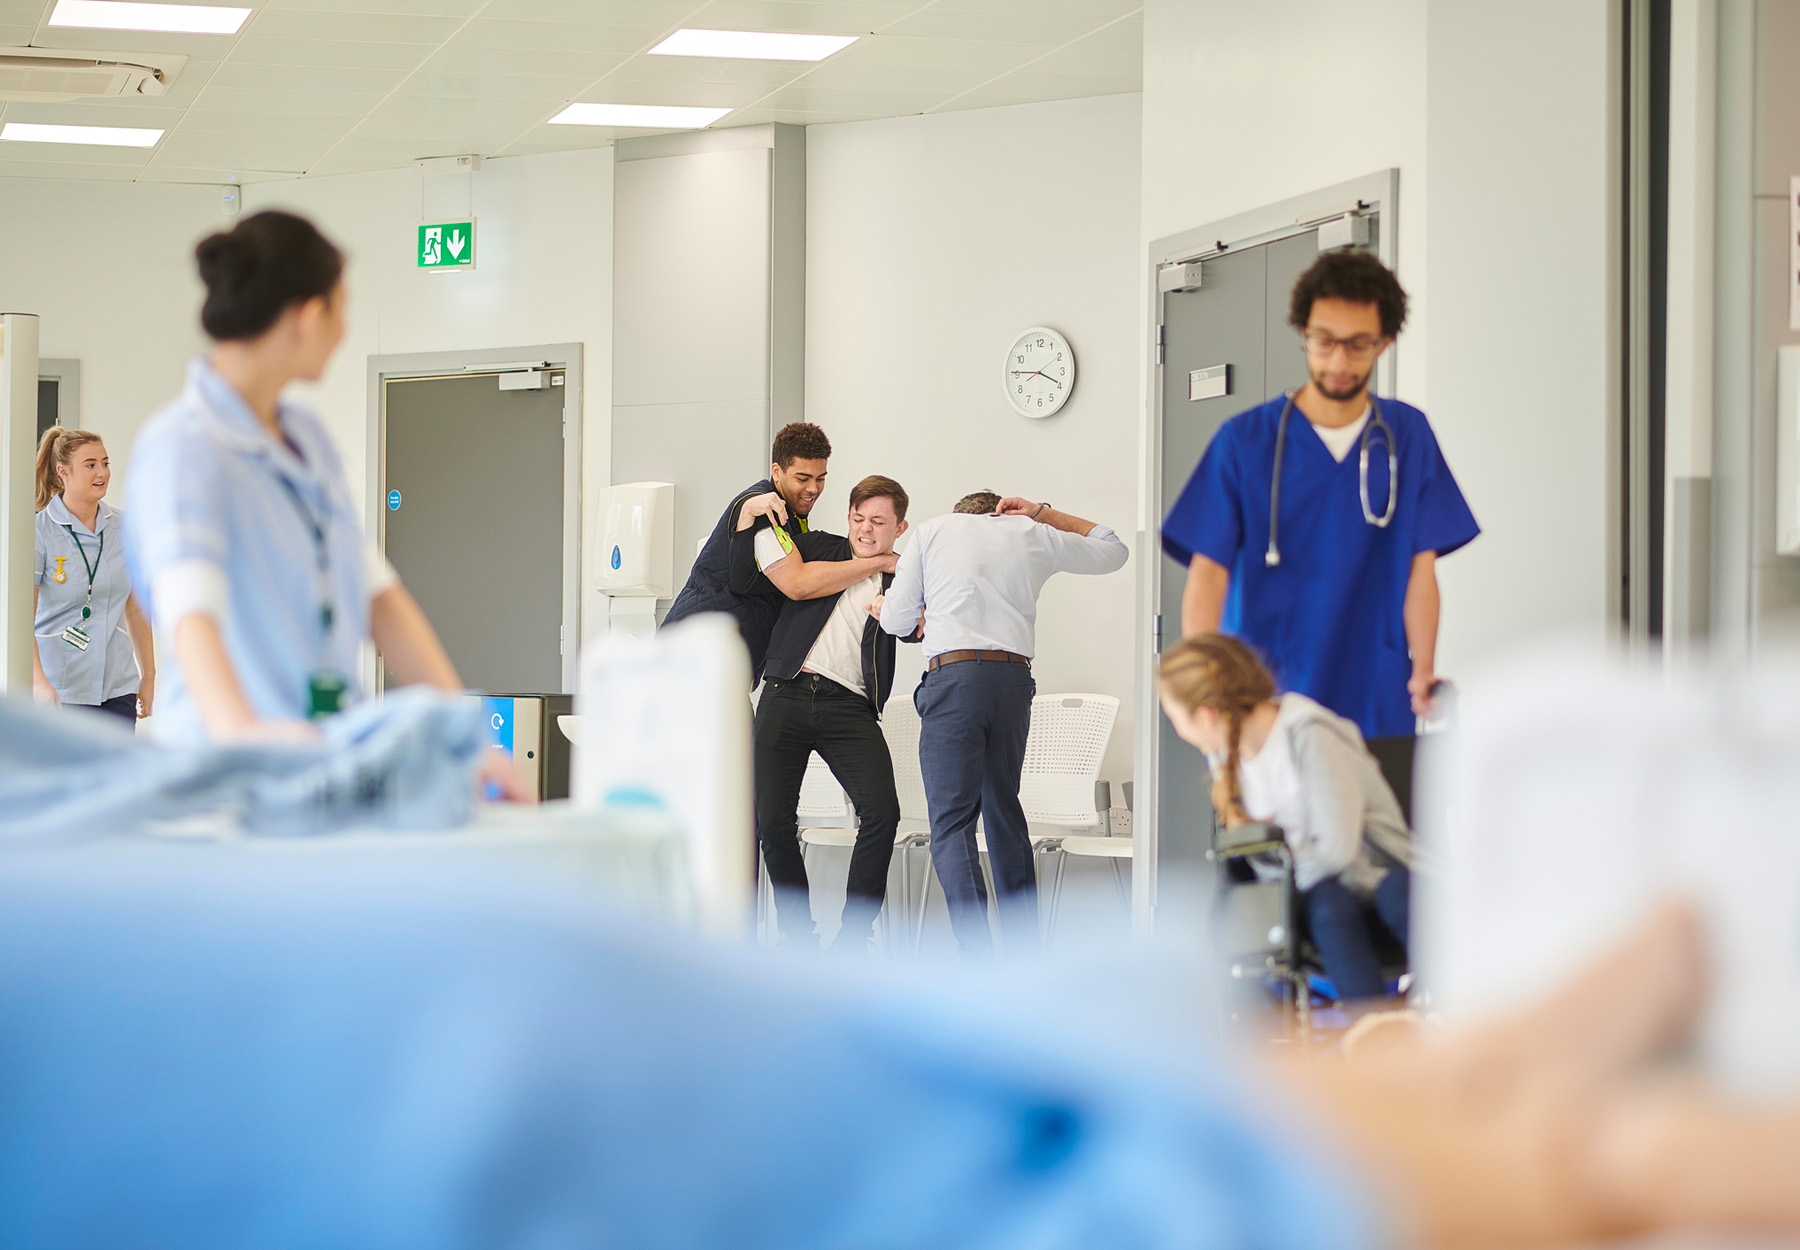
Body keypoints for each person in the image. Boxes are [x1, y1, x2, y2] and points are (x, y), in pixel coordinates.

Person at [124, 211, 526, 797]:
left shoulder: (307, 437)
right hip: (232, 782)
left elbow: (379, 599)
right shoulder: (184, 447)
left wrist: (468, 739)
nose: (345, 330)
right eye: (343, 309)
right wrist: (242, 734)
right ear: (310, 318)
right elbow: (191, 618)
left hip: (328, 763)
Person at [1161, 250, 1479, 819]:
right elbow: (1207, 573)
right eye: (1323, 340)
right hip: (1262, 701)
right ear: (1302, 334)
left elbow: (1420, 569)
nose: (1338, 359)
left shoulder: (1407, 435)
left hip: (1374, 690)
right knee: (1272, 880)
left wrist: (1423, 668)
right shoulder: (1244, 442)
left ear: (1383, 343)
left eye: (1358, 344)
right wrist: (1203, 679)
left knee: (1378, 872)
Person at [880, 491, 1128, 959]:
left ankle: (979, 961)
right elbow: (1113, 548)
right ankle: (1023, 957)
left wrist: (912, 616)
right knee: (1004, 813)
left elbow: (895, 620)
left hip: (953, 681)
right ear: (1002, 510)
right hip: (1013, 681)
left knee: (951, 825)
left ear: (962, 514)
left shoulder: (934, 530)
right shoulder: (1031, 531)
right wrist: (1042, 512)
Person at [1159, 634, 1411, 1000]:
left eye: (1175, 719)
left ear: (1206, 715)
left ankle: (1397, 1028)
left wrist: (1285, 885)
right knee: (1322, 903)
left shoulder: (1308, 733)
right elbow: (1259, 863)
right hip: (1316, 895)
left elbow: (1338, 852)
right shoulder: (1224, 758)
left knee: (1346, 899)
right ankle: (1371, 1032)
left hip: (1376, 883)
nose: (1180, 732)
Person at [748, 475, 918, 952]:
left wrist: (897, 586)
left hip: (850, 706)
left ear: (899, 527)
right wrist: (874, 561)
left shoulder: (906, 577)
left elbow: (919, 630)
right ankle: (798, 936)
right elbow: (775, 557)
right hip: (786, 691)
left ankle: (854, 938)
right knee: (773, 821)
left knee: (883, 812)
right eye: (858, 519)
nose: (865, 530)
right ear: (847, 518)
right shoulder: (820, 547)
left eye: (878, 523)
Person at [662, 423, 892, 683]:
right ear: (777, 471)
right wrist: (882, 562)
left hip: (713, 662)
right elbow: (798, 583)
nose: (813, 489)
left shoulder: (791, 518)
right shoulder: (764, 508)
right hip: (695, 659)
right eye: (802, 478)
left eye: (821, 478)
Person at [31, 428, 154, 724]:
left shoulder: (124, 528)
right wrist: (38, 682)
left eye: (105, 462)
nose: (102, 472)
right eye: (90, 465)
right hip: (61, 690)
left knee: (120, 771)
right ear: (63, 472)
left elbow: (136, 608)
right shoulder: (39, 531)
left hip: (118, 688)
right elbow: (23, 616)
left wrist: (148, 675)